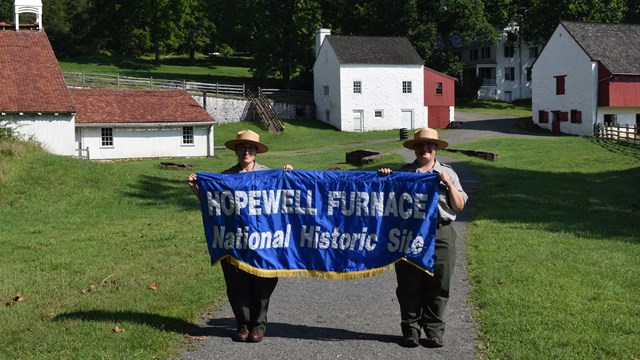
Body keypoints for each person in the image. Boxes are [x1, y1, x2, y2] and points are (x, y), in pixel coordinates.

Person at [188, 129, 293, 343]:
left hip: (265, 242)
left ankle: (259, 326)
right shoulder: (225, 178)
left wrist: (289, 176)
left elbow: (288, 198)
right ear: (236, 152)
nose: (246, 151)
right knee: (237, 285)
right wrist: (197, 190)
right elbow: (214, 205)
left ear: (256, 153)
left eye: (251, 148)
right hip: (235, 241)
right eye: (242, 148)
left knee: (263, 284)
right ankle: (243, 325)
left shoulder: (270, 175)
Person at [378, 127, 468, 348]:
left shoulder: (448, 173)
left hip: (441, 232)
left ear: (436, 149)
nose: (425, 149)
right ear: (414, 149)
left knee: (440, 282)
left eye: (429, 145)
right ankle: (411, 330)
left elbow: (459, 205)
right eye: (420, 145)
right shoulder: (404, 174)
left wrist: (447, 184)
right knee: (409, 282)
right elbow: (383, 200)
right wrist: (385, 178)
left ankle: (434, 330)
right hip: (410, 232)